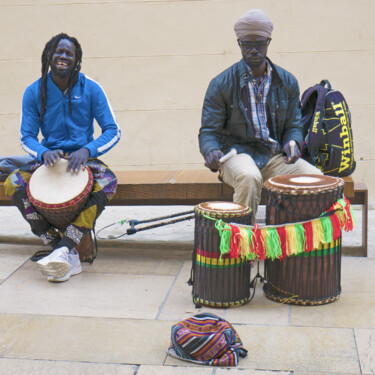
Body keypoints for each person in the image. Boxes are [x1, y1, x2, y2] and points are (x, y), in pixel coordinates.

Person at [4, 33, 121, 282]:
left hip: (83, 159)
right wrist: (43, 152)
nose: (63, 57)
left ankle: (64, 248)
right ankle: (57, 244)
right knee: (13, 182)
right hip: (49, 160)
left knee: (109, 181)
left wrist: (87, 150)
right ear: (49, 55)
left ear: (76, 59)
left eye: (69, 53)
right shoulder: (34, 91)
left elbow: (113, 130)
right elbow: (26, 137)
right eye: (59, 52)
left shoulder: (91, 88)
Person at [199, 9, 322, 218]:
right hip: (236, 154)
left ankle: (296, 240)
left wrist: (292, 142)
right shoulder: (220, 84)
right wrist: (211, 150)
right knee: (248, 176)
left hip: (273, 156)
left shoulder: (287, 81)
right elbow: (209, 131)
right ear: (239, 44)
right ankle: (242, 242)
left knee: (315, 178)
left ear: (268, 42)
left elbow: (294, 125)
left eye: (260, 44)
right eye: (248, 44)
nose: (254, 50)